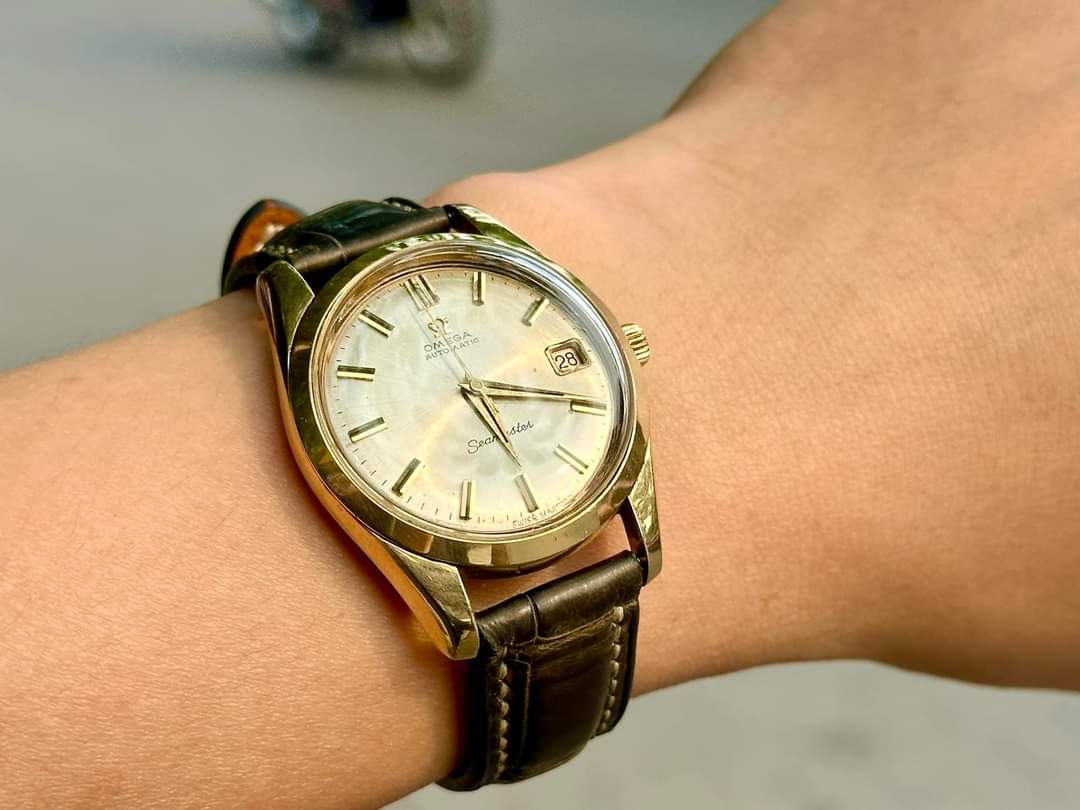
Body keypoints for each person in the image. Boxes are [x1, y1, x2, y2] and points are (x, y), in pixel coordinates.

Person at [2, 0, 1079, 805]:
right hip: (455, 531)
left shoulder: (566, 360)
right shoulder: (338, 375)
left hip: (549, 482)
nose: (475, 389)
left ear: (618, 345)